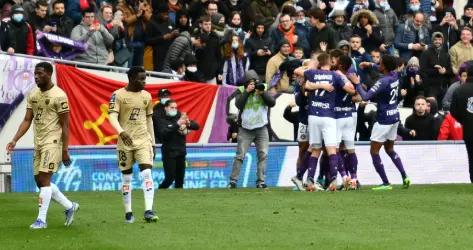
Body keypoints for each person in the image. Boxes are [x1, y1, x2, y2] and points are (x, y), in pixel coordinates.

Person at [6, 62, 79, 229]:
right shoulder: (33, 94)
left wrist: (65, 149)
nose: (36, 76)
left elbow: (66, 125)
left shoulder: (59, 96)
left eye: (40, 73)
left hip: (53, 142)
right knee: (40, 182)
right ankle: (69, 206)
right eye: (35, 74)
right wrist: (15, 139)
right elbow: (27, 119)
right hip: (38, 142)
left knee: (45, 178)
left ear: (49, 73)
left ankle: (41, 220)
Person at [353, 55, 411, 190]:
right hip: (394, 116)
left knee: (374, 152)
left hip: (383, 119)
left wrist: (356, 83)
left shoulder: (383, 81)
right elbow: (381, 68)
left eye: (381, 63)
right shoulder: (395, 75)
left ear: (384, 66)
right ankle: (405, 177)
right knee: (390, 149)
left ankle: (386, 183)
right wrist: (370, 65)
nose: (379, 64)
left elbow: (366, 96)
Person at [108, 66, 158, 223]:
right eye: (141, 78)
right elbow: (112, 116)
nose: (144, 82)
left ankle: (148, 210)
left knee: (147, 173)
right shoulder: (118, 95)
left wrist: (153, 142)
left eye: (145, 78)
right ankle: (128, 212)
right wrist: (121, 132)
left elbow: (149, 119)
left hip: (143, 140)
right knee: (127, 178)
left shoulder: (147, 96)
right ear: (130, 78)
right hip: (125, 142)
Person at [300, 53, 355, 192]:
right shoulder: (335, 75)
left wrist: (317, 84)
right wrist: (342, 79)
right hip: (328, 116)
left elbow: (299, 74)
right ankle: (333, 181)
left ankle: (310, 181)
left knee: (315, 148)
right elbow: (351, 90)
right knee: (332, 149)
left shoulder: (312, 73)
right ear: (330, 61)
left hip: (313, 115)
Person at [228, 70, 276, 189]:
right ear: (245, 84)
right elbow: (238, 105)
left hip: (261, 128)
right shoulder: (241, 90)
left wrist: (262, 93)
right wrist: (247, 92)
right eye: (250, 83)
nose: (253, 85)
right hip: (245, 129)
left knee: (263, 155)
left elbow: (272, 103)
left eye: (254, 83)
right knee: (240, 155)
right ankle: (233, 181)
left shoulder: (262, 88)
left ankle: (261, 181)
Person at [157, 100, 199, 189]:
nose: (174, 109)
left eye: (175, 107)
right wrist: (177, 124)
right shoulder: (161, 119)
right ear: (166, 108)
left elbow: (196, 126)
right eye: (172, 107)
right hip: (169, 153)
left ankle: (179, 199)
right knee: (170, 178)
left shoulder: (179, 116)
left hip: (181, 151)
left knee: (180, 180)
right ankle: (159, 192)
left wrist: (188, 123)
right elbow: (164, 133)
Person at [450, 64, 473, 183]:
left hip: (469, 131)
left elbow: (453, 112)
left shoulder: (459, 90)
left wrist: (466, 120)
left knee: (471, 157)